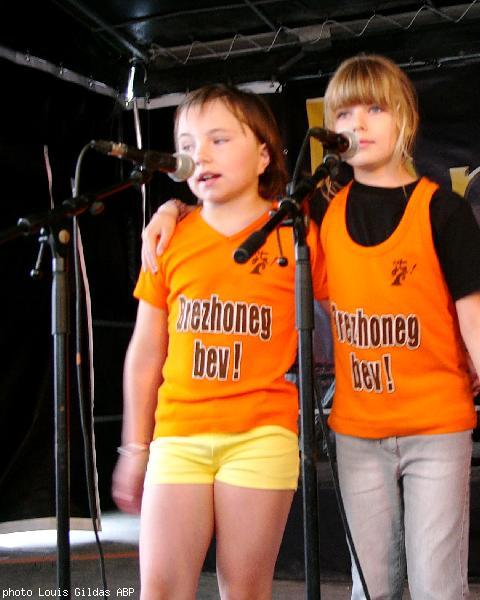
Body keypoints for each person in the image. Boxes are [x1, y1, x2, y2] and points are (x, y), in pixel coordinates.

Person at [141, 54, 480, 600]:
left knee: (438, 586)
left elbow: (477, 321)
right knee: (370, 587)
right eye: (344, 114)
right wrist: (175, 209)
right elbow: (236, 209)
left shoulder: (442, 210)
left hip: (437, 426)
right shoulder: (318, 212)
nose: (358, 125)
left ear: (406, 119)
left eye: (375, 109)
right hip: (357, 431)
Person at [112, 83, 327, 600]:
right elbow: (145, 352)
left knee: (245, 590)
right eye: (186, 146)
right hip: (179, 434)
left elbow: (348, 308)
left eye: (218, 139)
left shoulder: (294, 234)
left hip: (261, 433)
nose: (199, 155)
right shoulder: (170, 237)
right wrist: (135, 447)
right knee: (160, 590)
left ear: (262, 155)